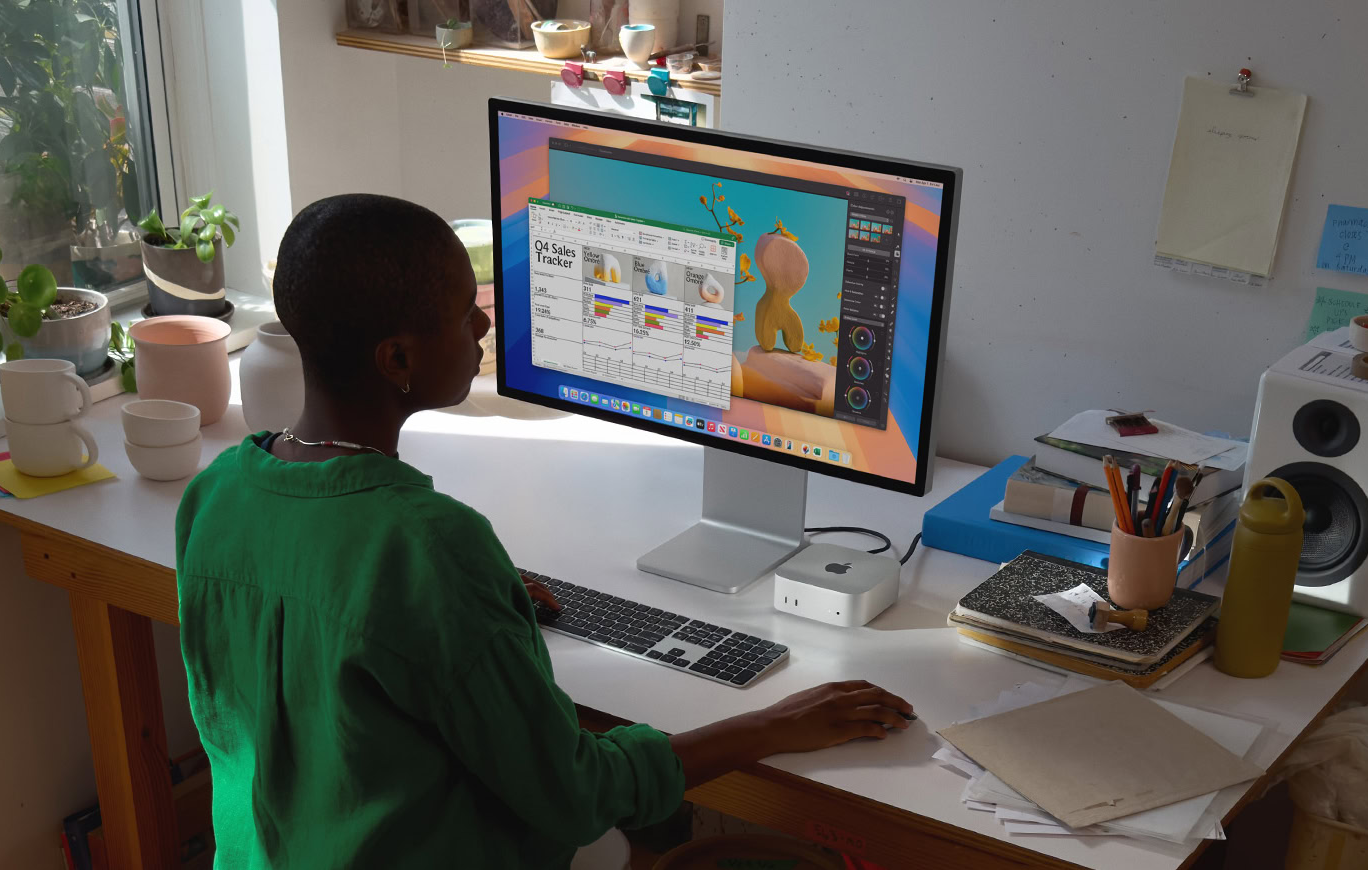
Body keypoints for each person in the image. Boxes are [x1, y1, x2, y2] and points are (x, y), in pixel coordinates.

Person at [175, 193, 913, 869]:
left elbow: (330, 639)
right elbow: (574, 793)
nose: (484, 323)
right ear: (397, 358)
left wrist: (476, 609)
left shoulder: (216, 494)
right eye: (464, 310)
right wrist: (771, 724)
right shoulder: (429, 548)